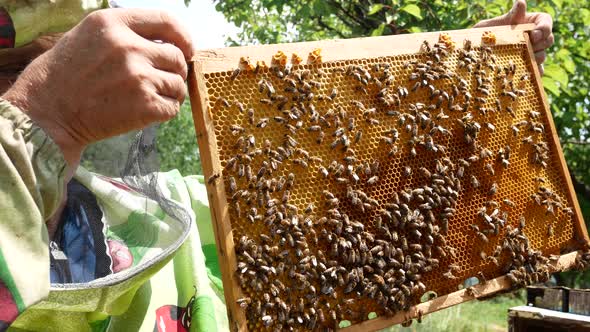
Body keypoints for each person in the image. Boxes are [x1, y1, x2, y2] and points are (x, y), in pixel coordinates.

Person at [0, 0, 554, 331]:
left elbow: (360, 225)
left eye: (41, 62)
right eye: (17, 75)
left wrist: (456, 100)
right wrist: (41, 116)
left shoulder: (171, 212)